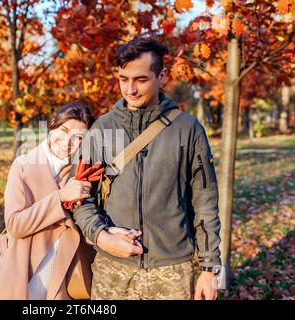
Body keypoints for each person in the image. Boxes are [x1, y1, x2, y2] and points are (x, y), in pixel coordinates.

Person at [71, 36, 221, 300]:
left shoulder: (188, 129)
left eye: (141, 79)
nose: (130, 89)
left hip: (172, 271)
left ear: (161, 76)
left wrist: (209, 269)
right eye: (123, 79)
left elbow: (205, 201)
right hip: (112, 269)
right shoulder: (102, 130)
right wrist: (102, 236)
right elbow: (80, 196)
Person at [0, 101, 97, 300]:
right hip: (23, 268)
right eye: (63, 131)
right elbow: (15, 225)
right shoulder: (23, 166)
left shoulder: (81, 172)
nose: (67, 142)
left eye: (78, 137)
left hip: (64, 272)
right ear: (53, 125)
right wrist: (61, 197)